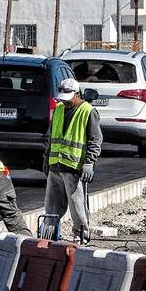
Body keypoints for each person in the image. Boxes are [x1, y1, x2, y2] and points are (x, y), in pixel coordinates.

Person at [45, 77, 104, 244]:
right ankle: (48, 236)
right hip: (55, 166)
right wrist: (46, 158)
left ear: (77, 94)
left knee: (78, 207)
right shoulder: (58, 110)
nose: (65, 102)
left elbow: (95, 140)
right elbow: (51, 138)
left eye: (68, 98)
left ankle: (81, 236)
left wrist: (89, 162)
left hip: (74, 167)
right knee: (51, 206)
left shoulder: (87, 111)